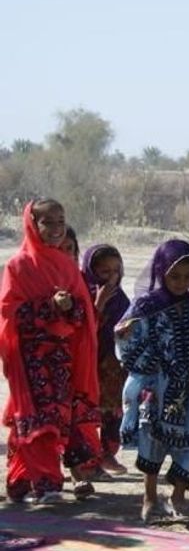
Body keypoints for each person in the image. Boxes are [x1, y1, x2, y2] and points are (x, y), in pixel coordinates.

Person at [0, 200, 101, 503]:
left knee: (55, 416)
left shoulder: (66, 265)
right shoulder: (17, 266)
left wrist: (70, 308)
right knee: (40, 417)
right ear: (33, 224)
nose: (56, 230)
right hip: (30, 358)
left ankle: (22, 477)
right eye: (49, 223)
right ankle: (47, 482)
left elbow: (83, 313)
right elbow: (9, 313)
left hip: (62, 357)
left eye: (61, 222)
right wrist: (49, 306)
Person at [116, 239, 189, 523]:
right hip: (155, 386)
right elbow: (126, 343)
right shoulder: (145, 306)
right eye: (175, 276)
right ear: (161, 271)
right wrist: (149, 361)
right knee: (152, 438)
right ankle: (149, 496)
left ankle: (179, 495)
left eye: (188, 276)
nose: (181, 282)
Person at [81, 243, 131, 477]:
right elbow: (82, 328)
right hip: (88, 363)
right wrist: (98, 305)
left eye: (116, 271)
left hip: (113, 367)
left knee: (113, 411)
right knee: (89, 412)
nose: (112, 278)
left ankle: (108, 453)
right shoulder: (82, 295)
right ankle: (88, 460)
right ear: (91, 272)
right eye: (104, 272)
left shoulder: (121, 299)